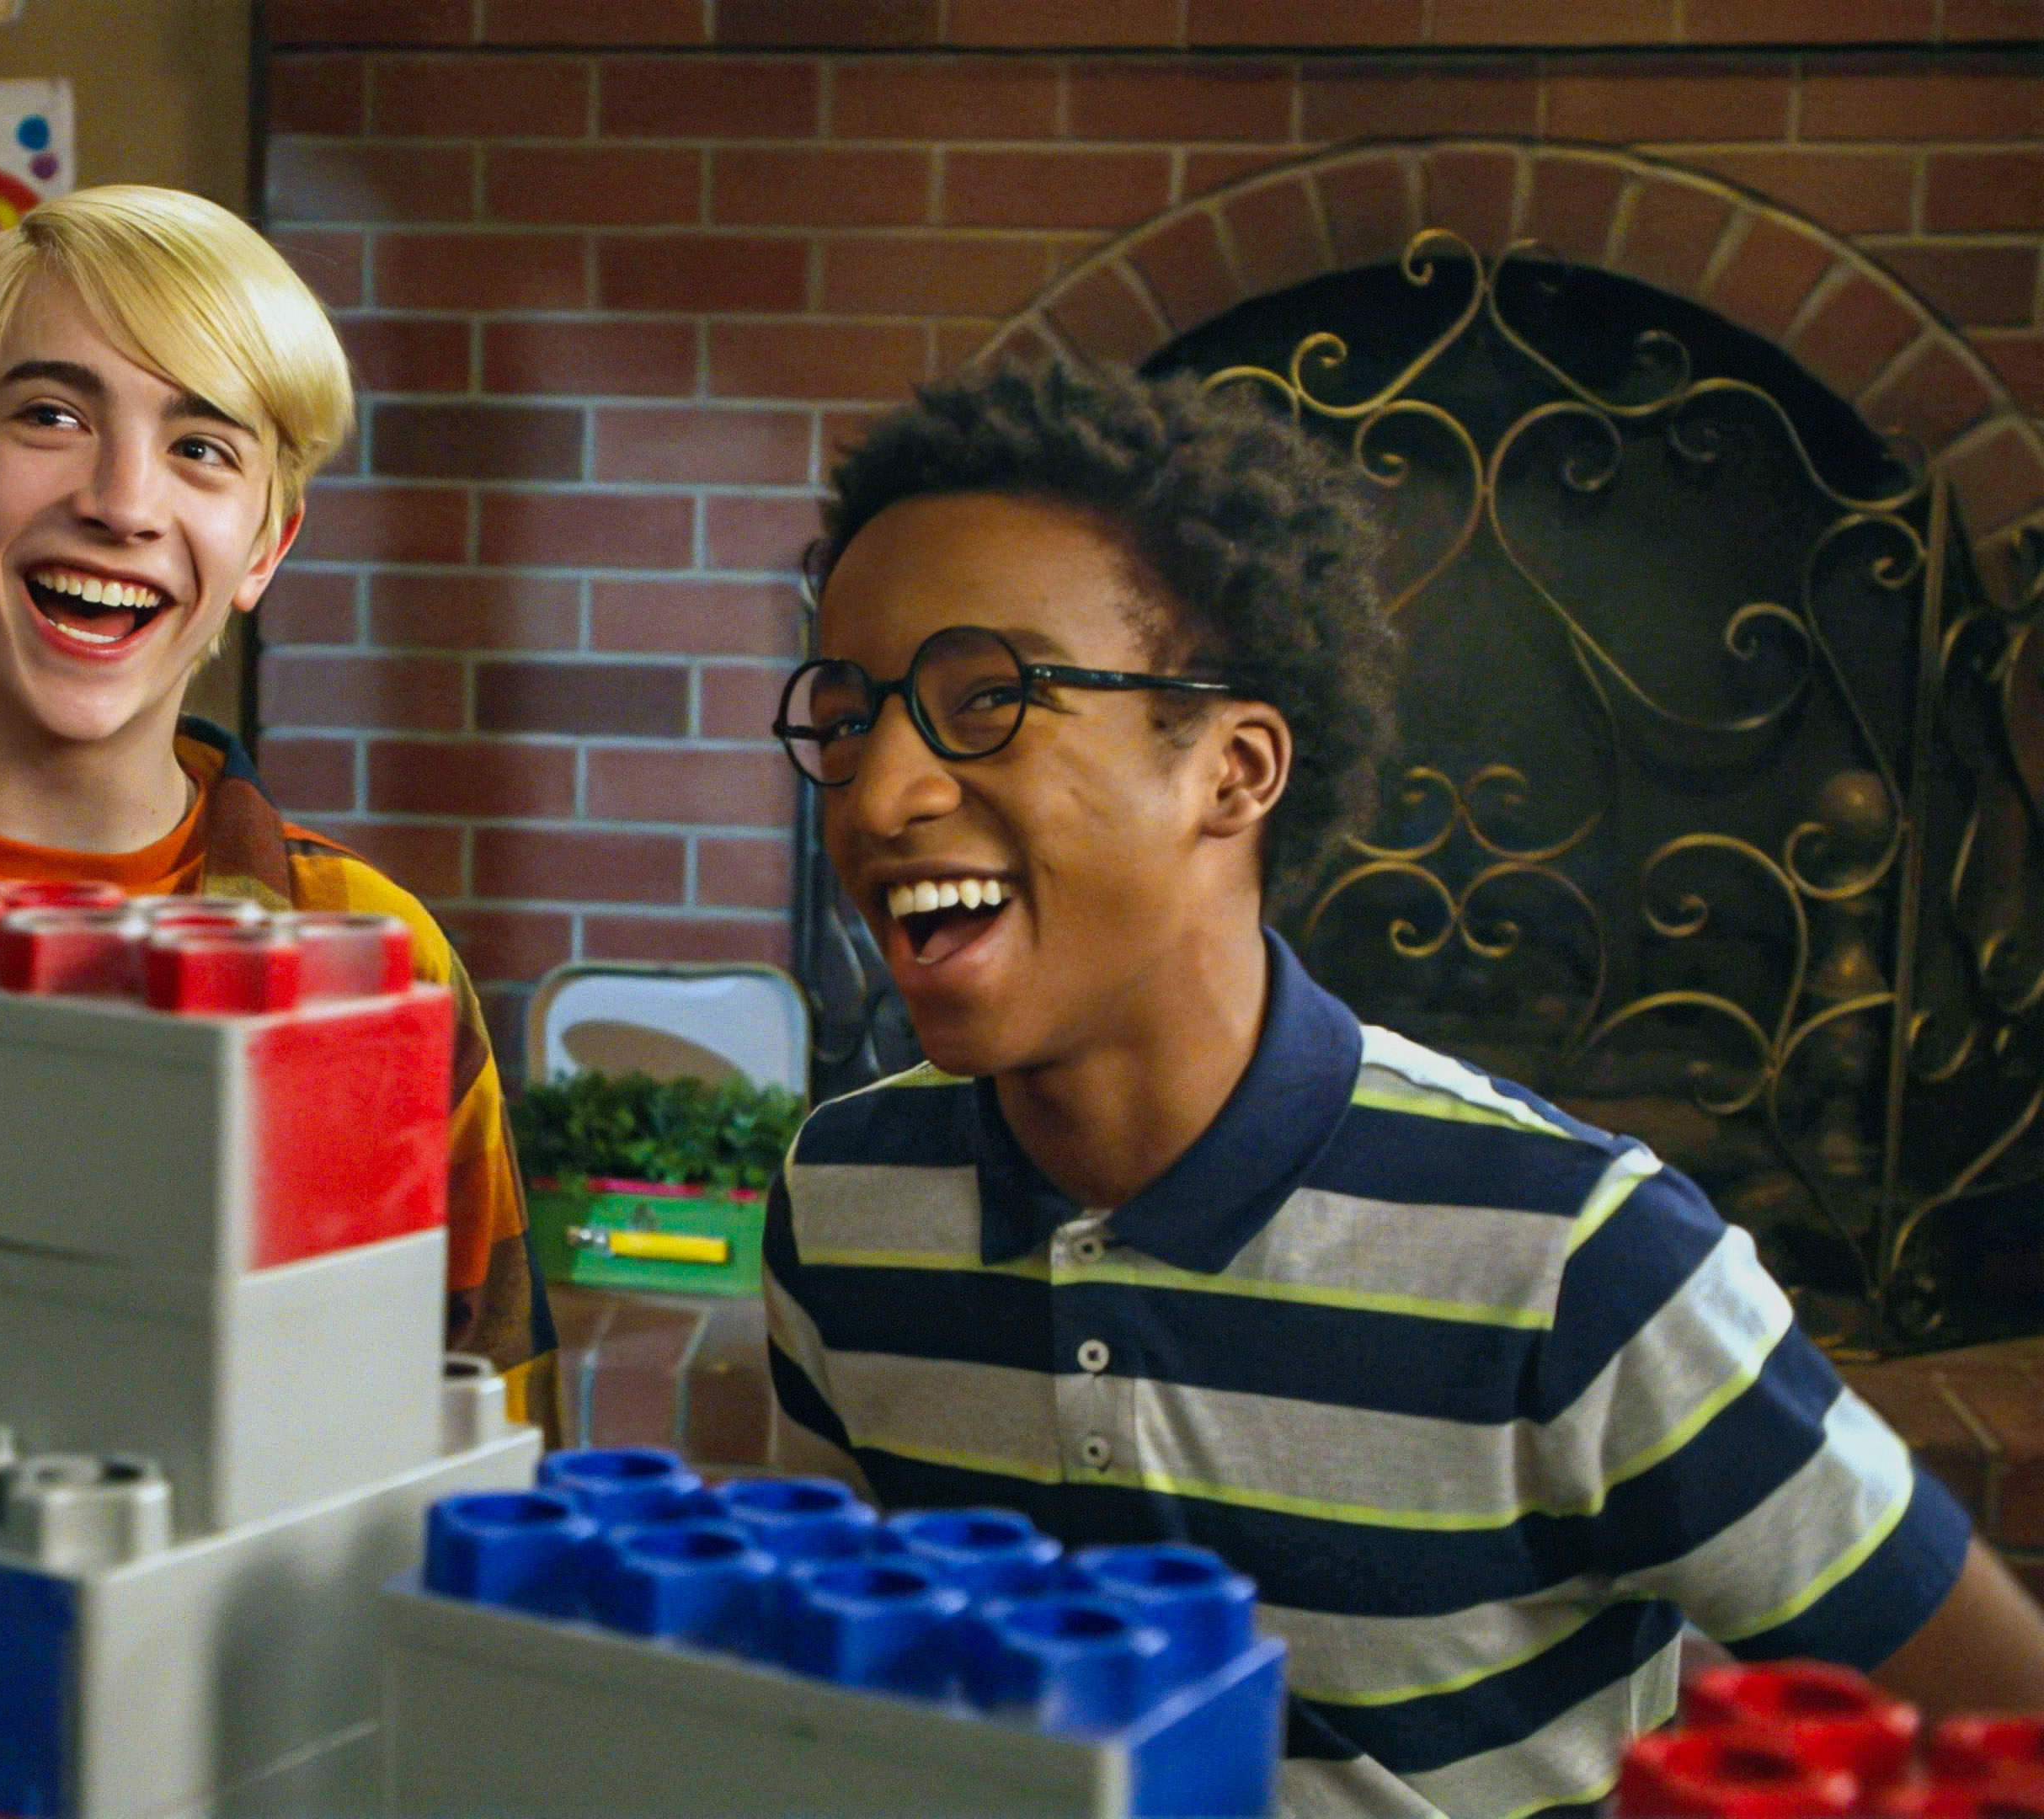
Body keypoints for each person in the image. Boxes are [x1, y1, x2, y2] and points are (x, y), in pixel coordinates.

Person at [759, 359, 2044, 1816]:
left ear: (1235, 772)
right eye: (847, 718)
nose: (877, 796)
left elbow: (2000, 1719)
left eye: (989, 698)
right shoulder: (843, 1204)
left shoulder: (1578, 1261)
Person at [0, 185, 549, 1376]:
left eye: (202, 449)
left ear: (265, 546)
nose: (122, 504)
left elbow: (495, 1404)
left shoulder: (381, 960)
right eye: (51, 415)